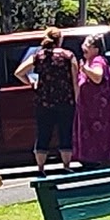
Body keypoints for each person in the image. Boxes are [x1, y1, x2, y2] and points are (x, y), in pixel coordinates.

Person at [16, 26, 79, 173]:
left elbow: (19, 72)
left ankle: (40, 167)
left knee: (43, 133)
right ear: (60, 40)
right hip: (65, 99)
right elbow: (75, 81)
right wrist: (76, 100)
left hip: (43, 101)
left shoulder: (38, 56)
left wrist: (31, 82)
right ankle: (66, 166)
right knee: (65, 133)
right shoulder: (68, 56)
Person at [73, 33, 110, 168]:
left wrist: (85, 69)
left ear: (96, 49)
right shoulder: (87, 62)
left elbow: (98, 77)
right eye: (84, 44)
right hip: (90, 110)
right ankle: (92, 160)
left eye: (88, 45)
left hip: (104, 110)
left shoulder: (98, 61)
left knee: (108, 135)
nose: (84, 47)